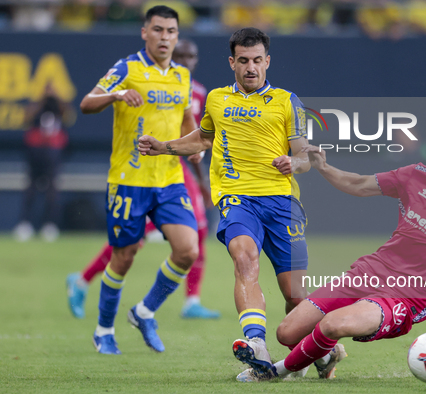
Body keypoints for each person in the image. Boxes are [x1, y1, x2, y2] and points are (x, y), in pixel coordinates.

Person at [235, 134, 426, 382]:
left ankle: (272, 372)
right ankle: (327, 354)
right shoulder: (417, 175)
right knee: (286, 333)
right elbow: (359, 184)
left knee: (332, 324)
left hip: (408, 297)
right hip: (370, 271)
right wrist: (324, 168)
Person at [137, 27, 312, 376]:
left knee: (294, 295)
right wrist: (165, 146)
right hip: (237, 199)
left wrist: (294, 163)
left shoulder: (287, 101)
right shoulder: (217, 99)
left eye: (258, 61)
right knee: (244, 258)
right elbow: (203, 138)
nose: (251, 68)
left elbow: (305, 156)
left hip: (281, 202)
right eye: (244, 61)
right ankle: (256, 343)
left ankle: (322, 349)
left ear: (268, 62)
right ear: (232, 62)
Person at [66, 38, 220, 321]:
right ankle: (83, 280)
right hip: (144, 173)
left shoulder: (197, 91)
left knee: (196, 232)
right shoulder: (145, 77)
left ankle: (191, 300)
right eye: (181, 55)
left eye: (191, 56)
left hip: (176, 171)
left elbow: (194, 138)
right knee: (131, 242)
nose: (186, 60)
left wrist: (200, 179)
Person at [78, 5, 200, 355]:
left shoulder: (181, 75)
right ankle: (103, 330)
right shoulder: (127, 68)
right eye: (158, 30)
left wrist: (195, 147)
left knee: (188, 249)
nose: (165, 38)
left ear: (177, 36)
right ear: (144, 32)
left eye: (171, 32)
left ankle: (144, 311)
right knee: (125, 256)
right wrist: (116, 95)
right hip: (129, 179)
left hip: (169, 179)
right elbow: (87, 103)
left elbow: (187, 116)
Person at [13, 83, 73, 243]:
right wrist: (42, 99)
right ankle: (24, 224)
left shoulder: (58, 107)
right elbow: (26, 118)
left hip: (52, 153)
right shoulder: (37, 107)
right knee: (31, 188)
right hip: (36, 152)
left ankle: (49, 225)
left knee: (52, 189)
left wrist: (56, 96)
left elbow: (67, 113)